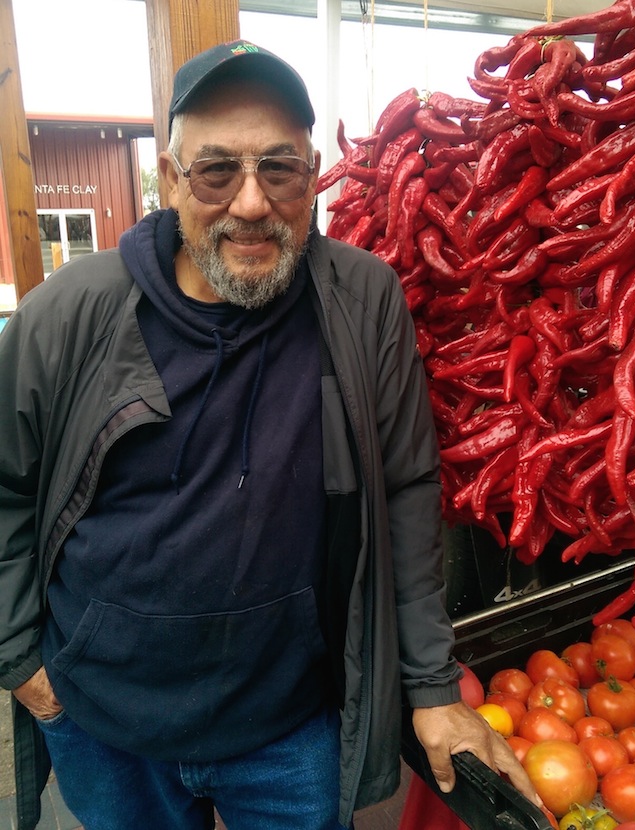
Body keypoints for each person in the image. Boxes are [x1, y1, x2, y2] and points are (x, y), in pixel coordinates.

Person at [0, 40, 539, 830]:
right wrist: (21, 660)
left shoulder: (361, 299)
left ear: (313, 175)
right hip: (105, 722)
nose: (251, 203)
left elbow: (405, 492)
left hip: (292, 726)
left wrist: (429, 687)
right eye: (216, 170)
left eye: (279, 169)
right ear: (168, 182)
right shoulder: (71, 311)